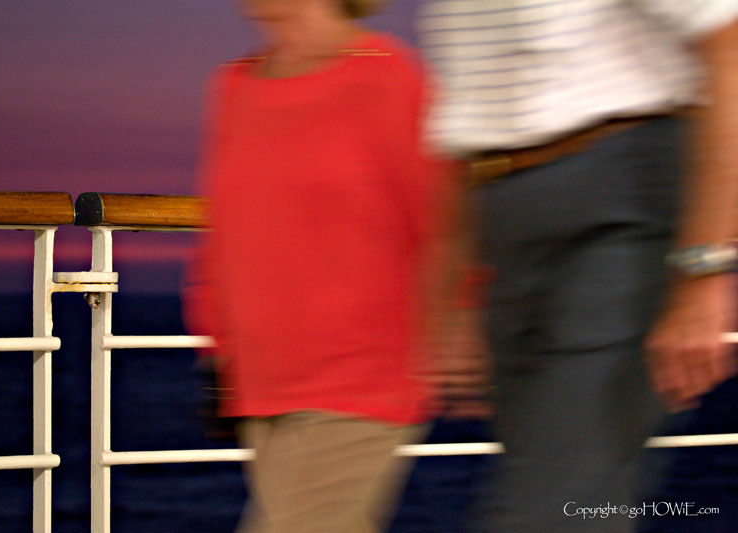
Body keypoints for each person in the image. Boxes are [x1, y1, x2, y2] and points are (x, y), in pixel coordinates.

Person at [417, 1, 738, 532]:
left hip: (618, 217)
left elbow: (727, 48)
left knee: (549, 513)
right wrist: (453, 296)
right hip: (509, 239)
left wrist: (703, 270)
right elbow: (465, 127)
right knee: (572, 503)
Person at [183, 1, 452, 531]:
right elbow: (226, 228)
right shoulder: (234, 85)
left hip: (363, 375)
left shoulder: (387, 77)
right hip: (262, 379)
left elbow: (445, 217)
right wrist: (217, 348)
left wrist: (459, 319)